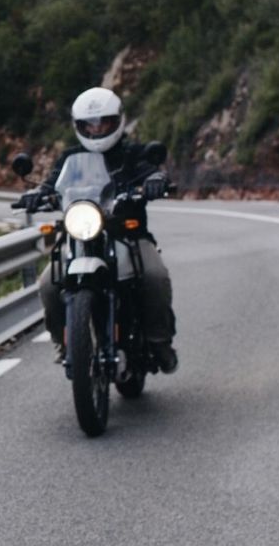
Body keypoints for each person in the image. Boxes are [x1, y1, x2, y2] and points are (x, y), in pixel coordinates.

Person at [35, 85, 178, 373]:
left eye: (104, 122)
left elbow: (152, 170)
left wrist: (156, 180)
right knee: (49, 285)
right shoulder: (70, 159)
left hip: (129, 235)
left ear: (118, 121)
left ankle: (159, 342)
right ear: (79, 126)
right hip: (81, 237)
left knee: (155, 277)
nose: (97, 129)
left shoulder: (133, 153)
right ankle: (65, 344)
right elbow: (52, 183)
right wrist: (38, 193)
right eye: (90, 124)